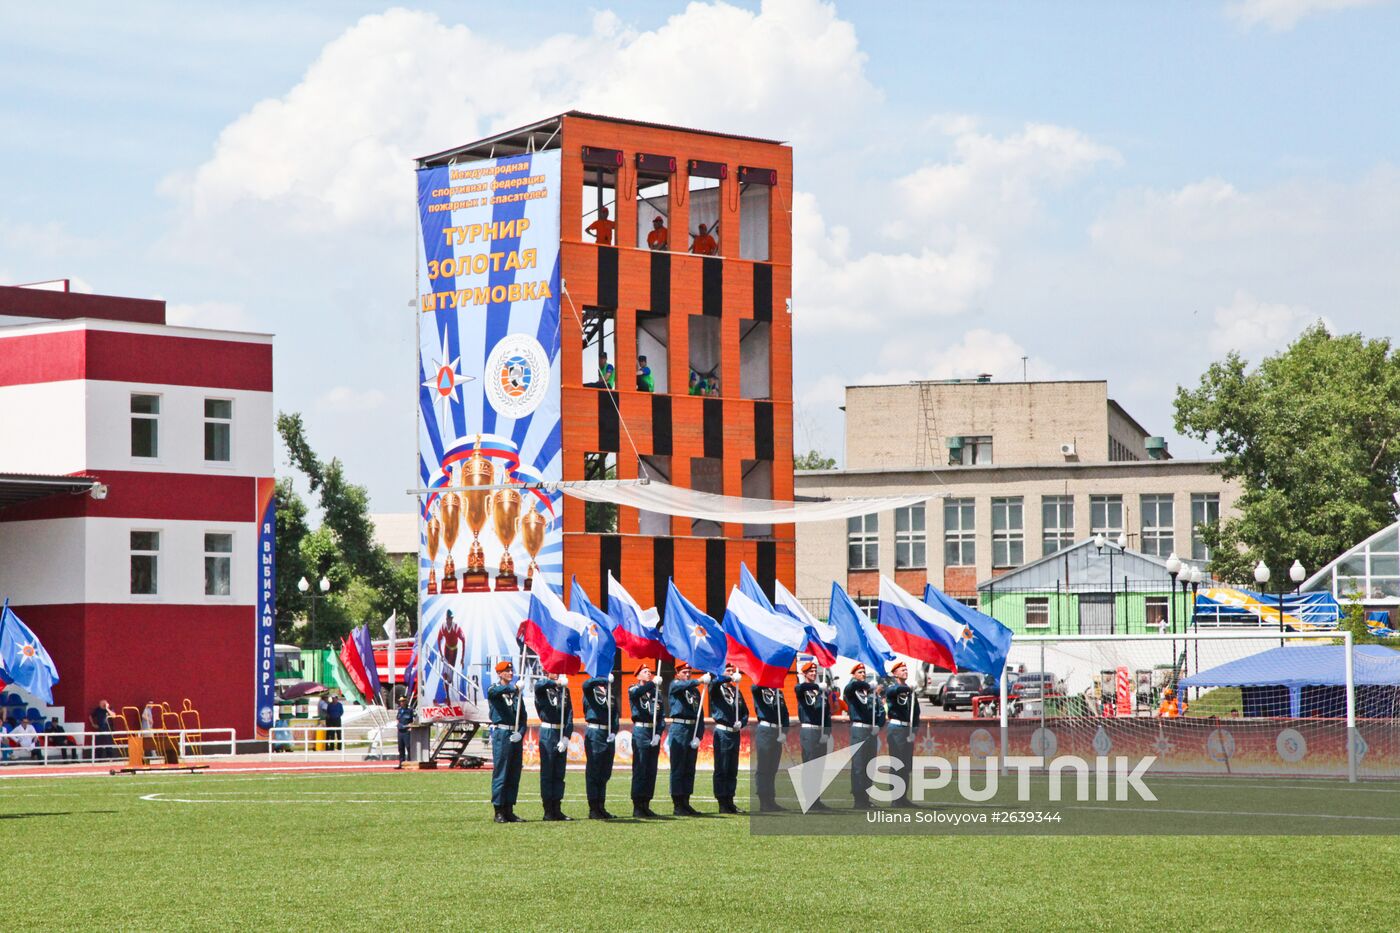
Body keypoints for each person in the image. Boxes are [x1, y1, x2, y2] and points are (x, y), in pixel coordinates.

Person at [666, 662, 710, 816]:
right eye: (684, 672)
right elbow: (678, 687)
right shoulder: (675, 685)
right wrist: (699, 681)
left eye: (689, 672)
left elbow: (700, 715)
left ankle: (686, 801)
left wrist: (699, 735)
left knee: (689, 768)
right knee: (678, 767)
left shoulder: (695, 692)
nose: (687, 674)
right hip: (679, 728)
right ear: (677, 674)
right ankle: (677, 803)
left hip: (692, 729)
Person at [486, 660, 525, 823]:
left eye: (511, 671)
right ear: (499, 673)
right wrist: (515, 688)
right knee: (501, 773)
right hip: (502, 733)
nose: (510, 673)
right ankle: (499, 810)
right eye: (507, 671)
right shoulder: (494, 689)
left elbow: (523, 716)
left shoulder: (516, 694)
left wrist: (521, 733)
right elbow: (497, 692)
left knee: (513, 773)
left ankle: (509, 809)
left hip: (514, 734)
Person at [709, 663, 749, 814]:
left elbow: (745, 711)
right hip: (722, 732)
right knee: (722, 768)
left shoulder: (735, 690)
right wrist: (727, 677)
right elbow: (714, 682)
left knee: (732, 768)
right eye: (728, 670)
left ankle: (730, 800)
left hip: (734, 732)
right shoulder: (716, 687)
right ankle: (722, 801)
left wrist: (742, 722)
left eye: (732, 670)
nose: (731, 673)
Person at [535, 672, 574, 821]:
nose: (558, 674)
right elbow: (539, 685)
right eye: (555, 671)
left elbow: (569, 713)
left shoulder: (565, 690)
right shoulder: (543, 687)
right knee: (548, 772)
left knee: (559, 773)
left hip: (561, 730)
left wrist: (566, 736)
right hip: (548, 731)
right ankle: (548, 810)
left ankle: (557, 808)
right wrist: (556, 683)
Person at [582, 670, 620, 819]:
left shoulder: (609, 689)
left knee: (605, 771)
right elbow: (585, 684)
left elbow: (615, 713)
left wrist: (614, 730)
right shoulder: (591, 688)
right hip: (595, 732)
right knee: (594, 771)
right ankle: (593, 808)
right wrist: (600, 679)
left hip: (607, 733)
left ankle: (601, 806)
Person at [843, 663, 882, 809]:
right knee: (859, 765)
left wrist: (878, 723)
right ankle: (858, 798)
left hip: (870, 730)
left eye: (864, 672)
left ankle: (866, 797)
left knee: (869, 765)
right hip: (858, 730)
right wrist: (865, 684)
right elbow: (849, 689)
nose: (863, 674)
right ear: (854, 675)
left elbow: (879, 710)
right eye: (860, 672)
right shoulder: (853, 689)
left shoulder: (870, 693)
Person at [628, 663, 663, 818]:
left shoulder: (656, 693)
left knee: (651, 769)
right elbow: (637, 694)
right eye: (645, 672)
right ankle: (637, 805)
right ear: (638, 675)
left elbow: (661, 716)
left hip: (652, 730)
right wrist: (651, 684)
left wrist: (658, 733)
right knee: (640, 768)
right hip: (641, 730)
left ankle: (646, 803)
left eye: (650, 672)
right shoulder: (634, 689)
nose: (649, 674)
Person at [750, 678, 790, 812]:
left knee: (773, 768)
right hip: (765, 730)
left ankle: (771, 800)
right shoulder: (759, 689)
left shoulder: (778, 692)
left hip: (777, 731)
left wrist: (784, 731)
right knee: (764, 767)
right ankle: (764, 801)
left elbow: (785, 713)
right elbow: (754, 688)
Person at [883, 661, 920, 807]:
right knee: (897, 763)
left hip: (908, 729)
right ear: (895, 673)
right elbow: (891, 692)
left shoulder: (911, 691)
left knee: (906, 764)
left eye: (906, 669)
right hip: (896, 728)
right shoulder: (893, 689)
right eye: (902, 670)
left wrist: (914, 730)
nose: (905, 671)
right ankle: (895, 798)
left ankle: (903, 797)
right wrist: (905, 689)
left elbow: (916, 712)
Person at [394, 696, 414, 769]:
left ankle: (409, 762)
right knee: (400, 748)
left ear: (406, 702)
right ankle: (401, 763)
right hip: (400, 732)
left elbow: (414, 719)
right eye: (400, 701)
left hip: (406, 731)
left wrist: (411, 726)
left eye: (403, 701)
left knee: (408, 747)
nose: (401, 703)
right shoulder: (400, 710)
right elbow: (398, 719)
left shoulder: (410, 710)